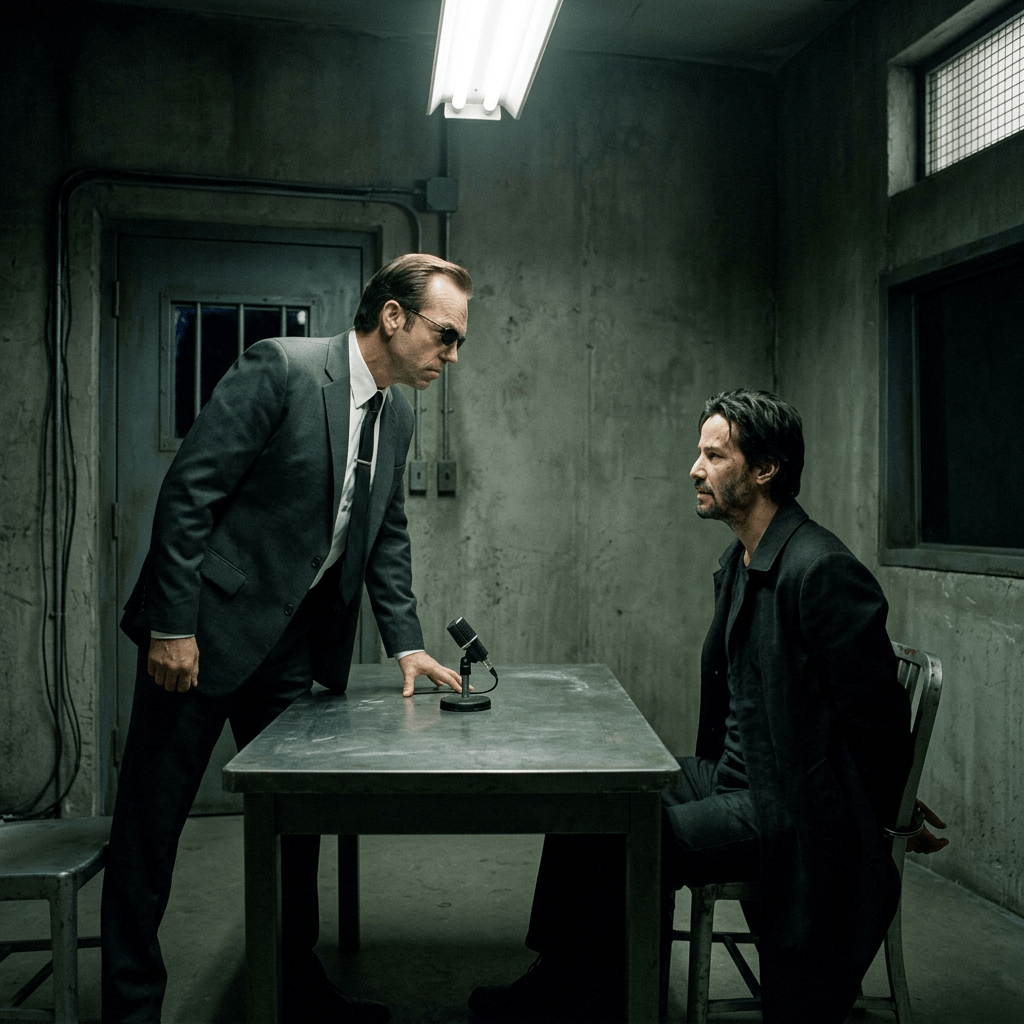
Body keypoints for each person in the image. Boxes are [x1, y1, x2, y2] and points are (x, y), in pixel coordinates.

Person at [102, 253, 473, 1024]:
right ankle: (130, 1009)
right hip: (199, 637)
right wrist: (172, 626)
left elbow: (385, 532)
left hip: (290, 649)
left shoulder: (399, 410)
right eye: (446, 335)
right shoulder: (280, 368)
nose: (453, 355)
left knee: (292, 829)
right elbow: (188, 496)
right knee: (150, 834)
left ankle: (295, 989)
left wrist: (404, 641)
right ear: (395, 316)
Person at [468, 389, 914, 1024]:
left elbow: (879, 720)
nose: (694, 469)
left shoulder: (821, 570)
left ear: (765, 469)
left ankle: (604, 1002)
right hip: (731, 776)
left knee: (633, 839)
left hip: (780, 803)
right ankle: (565, 979)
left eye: (714, 454)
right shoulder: (739, 560)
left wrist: (890, 815)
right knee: (588, 801)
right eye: (698, 453)